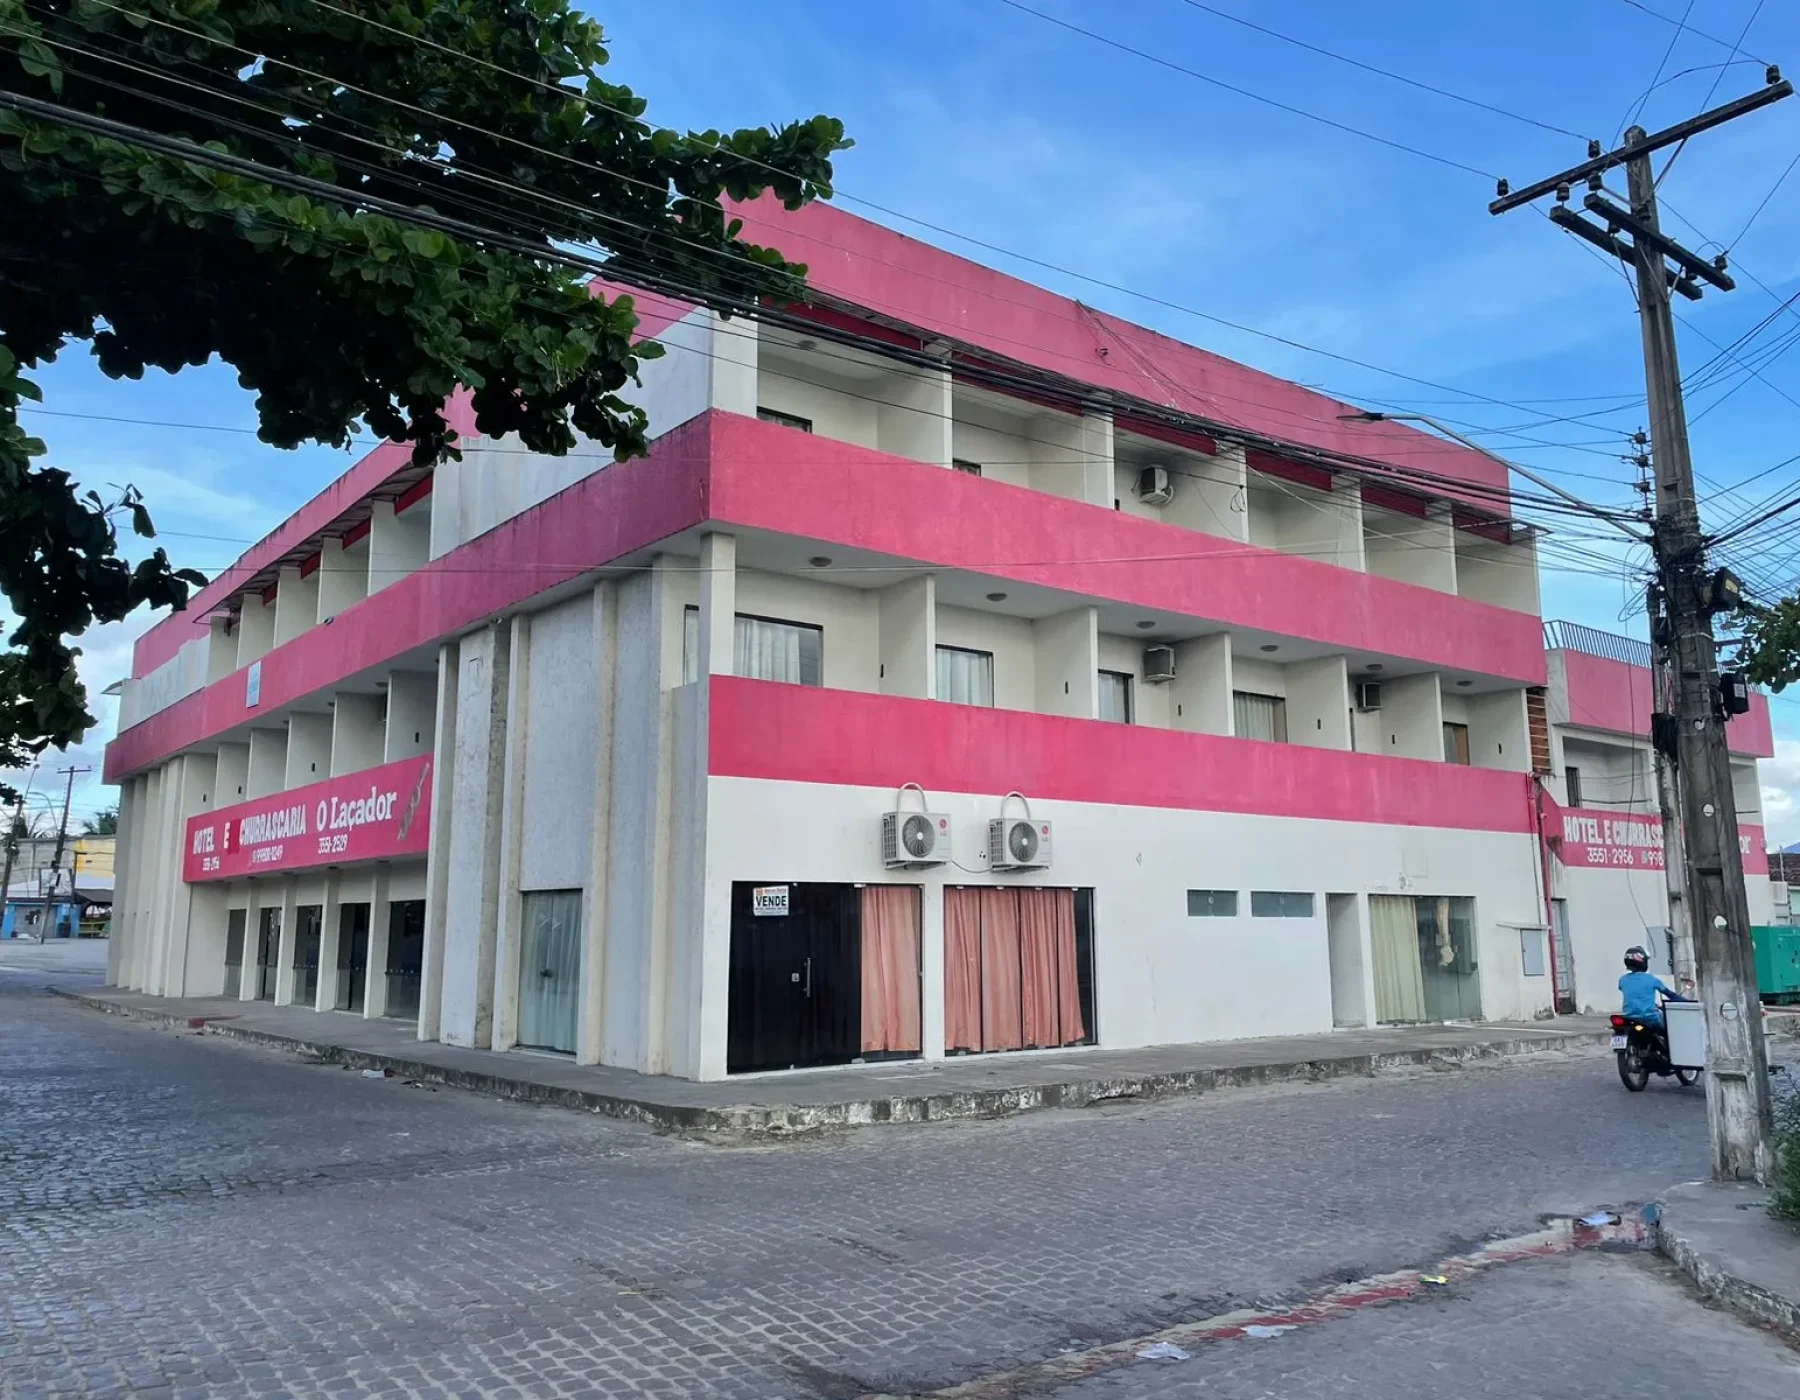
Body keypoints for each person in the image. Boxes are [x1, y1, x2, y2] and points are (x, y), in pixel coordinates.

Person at [1618, 945, 1691, 1025]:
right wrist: (1686, 1002)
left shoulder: (1623, 980)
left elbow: (1631, 993)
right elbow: (1669, 994)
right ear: (1643, 961)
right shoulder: (1651, 979)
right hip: (1650, 1019)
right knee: (1670, 1026)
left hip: (1629, 1018)